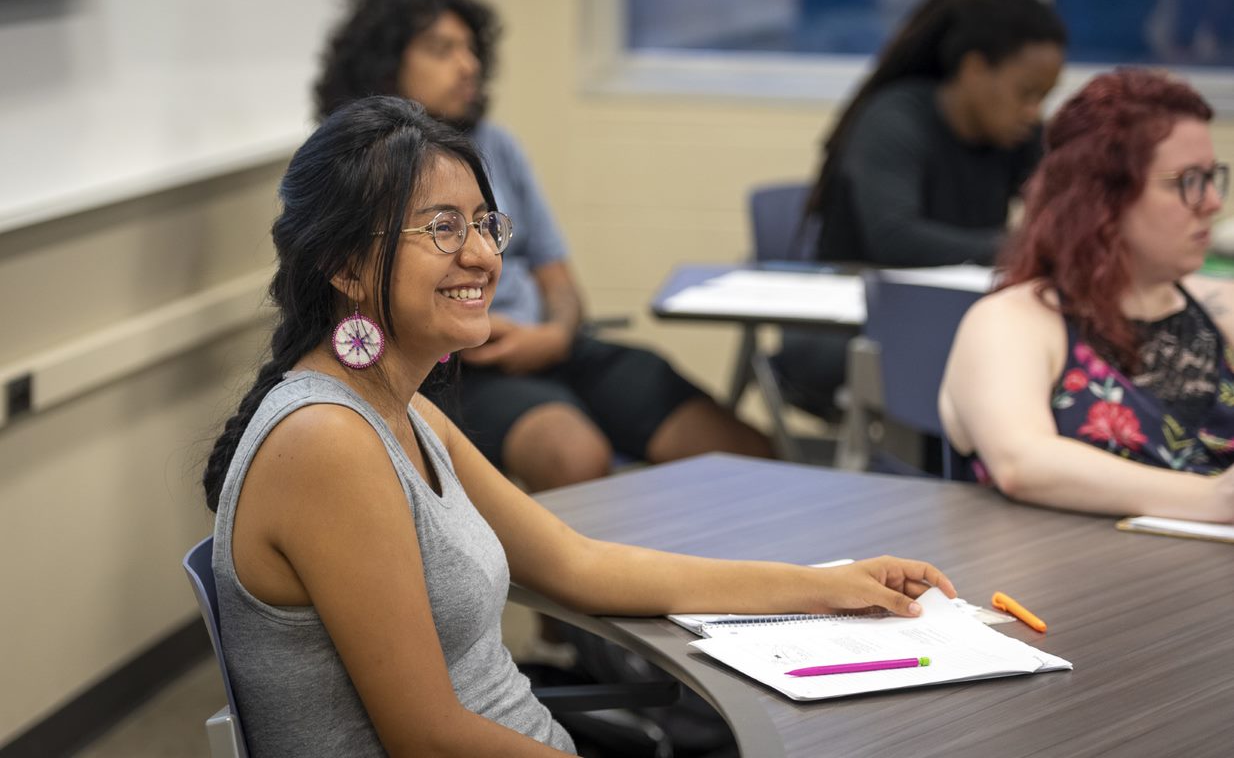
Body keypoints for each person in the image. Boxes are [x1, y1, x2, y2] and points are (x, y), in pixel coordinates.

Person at [199, 95, 957, 756]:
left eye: (484, 224)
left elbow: (579, 566)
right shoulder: (326, 441)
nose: (482, 255)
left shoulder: (404, 409)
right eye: (440, 229)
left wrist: (827, 588)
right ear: (345, 266)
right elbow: (426, 738)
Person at [313, 0, 771, 491]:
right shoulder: (353, 168)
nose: (469, 66)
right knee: (575, 457)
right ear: (386, 63)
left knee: (744, 452)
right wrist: (459, 342)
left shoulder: (497, 145)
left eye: (471, 49)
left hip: (549, 346)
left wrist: (553, 335)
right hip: (456, 368)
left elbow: (561, 284)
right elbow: (361, 314)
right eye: (442, 50)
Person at [940, 69, 1234, 523]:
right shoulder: (1013, 320)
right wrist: (1213, 499)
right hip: (1059, 585)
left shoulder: (1219, 309)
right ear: (1103, 199)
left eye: (1212, 177)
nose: (1213, 202)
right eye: (1187, 182)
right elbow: (1022, 463)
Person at [776, 0, 1067, 425]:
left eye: (1043, 98)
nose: (1034, 112)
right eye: (1025, 92)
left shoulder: (1013, 135)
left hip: (951, 313)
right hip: (860, 323)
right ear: (973, 70)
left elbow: (1063, 215)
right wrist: (1020, 248)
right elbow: (896, 239)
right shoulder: (894, 120)